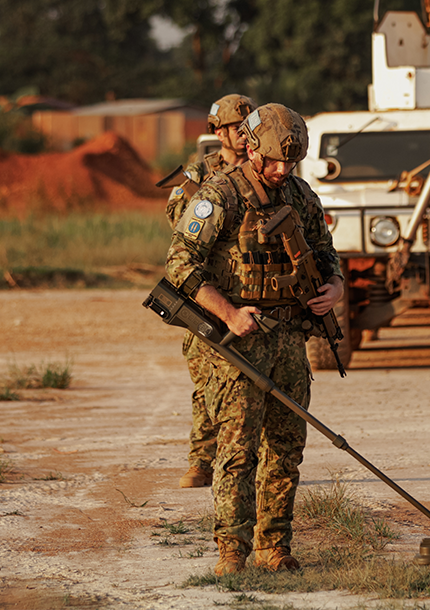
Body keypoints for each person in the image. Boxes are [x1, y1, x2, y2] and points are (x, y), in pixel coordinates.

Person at [164, 103, 344, 575]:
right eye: (275, 161)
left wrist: (334, 287)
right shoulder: (219, 195)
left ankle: (274, 547)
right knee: (237, 452)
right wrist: (228, 312)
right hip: (239, 343)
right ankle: (232, 550)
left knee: (285, 448)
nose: (283, 170)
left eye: (292, 162)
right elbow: (179, 263)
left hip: (290, 341)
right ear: (250, 149)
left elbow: (326, 253)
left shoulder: (301, 195)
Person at [164, 94, 258, 489]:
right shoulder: (198, 173)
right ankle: (202, 461)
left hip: (250, 289)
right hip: (207, 295)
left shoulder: (262, 168)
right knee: (207, 381)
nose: (244, 134)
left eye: (249, 127)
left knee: (255, 382)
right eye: (237, 128)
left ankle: (250, 462)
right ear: (218, 132)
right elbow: (178, 223)